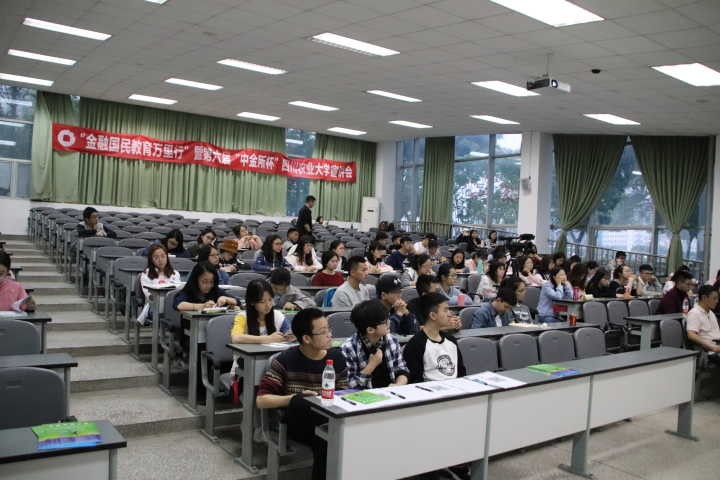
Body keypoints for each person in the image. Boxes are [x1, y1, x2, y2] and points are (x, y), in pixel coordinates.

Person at [256, 308, 348, 480]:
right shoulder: (285, 360)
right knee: (325, 438)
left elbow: (343, 393)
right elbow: (262, 400)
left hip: (331, 418)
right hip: (299, 422)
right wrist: (296, 398)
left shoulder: (337, 358)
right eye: (323, 332)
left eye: (329, 329)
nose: (329, 335)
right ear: (306, 338)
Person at [341, 299, 410, 389]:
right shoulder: (349, 348)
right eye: (385, 322)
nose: (389, 323)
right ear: (370, 330)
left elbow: (402, 369)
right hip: (364, 396)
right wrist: (371, 365)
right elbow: (349, 386)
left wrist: (398, 385)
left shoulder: (392, 340)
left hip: (391, 392)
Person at [403, 292, 466, 383]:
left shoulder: (451, 340)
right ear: (433, 315)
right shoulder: (416, 344)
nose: (449, 314)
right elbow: (415, 380)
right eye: (445, 310)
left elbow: (461, 373)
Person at [230, 279, 291, 344]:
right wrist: (269, 338)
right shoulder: (242, 317)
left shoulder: (278, 315)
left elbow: (290, 332)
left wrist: (291, 336)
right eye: (262, 302)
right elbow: (236, 338)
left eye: (270, 300)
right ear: (252, 302)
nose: (268, 305)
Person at [173, 262, 238, 311]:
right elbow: (178, 305)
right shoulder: (188, 291)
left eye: (211, 282)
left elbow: (237, 301)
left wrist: (226, 299)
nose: (208, 285)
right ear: (196, 280)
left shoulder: (215, 290)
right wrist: (202, 306)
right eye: (204, 282)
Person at [685, 285, 720, 362]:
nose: (717, 301)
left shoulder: (711, 313)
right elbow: (691, 335)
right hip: (710, 350)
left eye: (717, 298)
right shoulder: (694, 313)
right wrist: (711, 347)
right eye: (714, 298)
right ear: (704, 298)